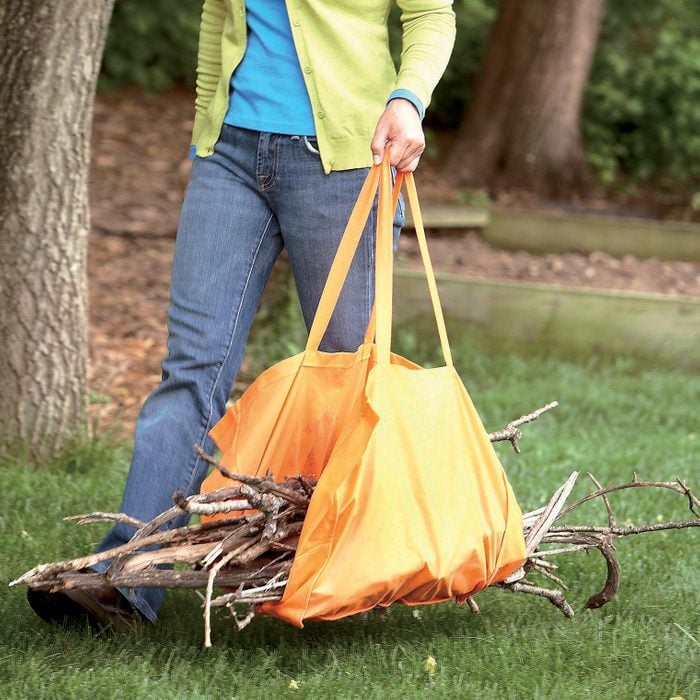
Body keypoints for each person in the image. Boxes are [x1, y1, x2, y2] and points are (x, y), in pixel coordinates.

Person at [28, 0, 456, 629]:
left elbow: (431, 16)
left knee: (347, 379)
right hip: (229, 157)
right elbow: (218, 17)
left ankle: (348, 573)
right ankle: (124, 577)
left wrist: (408, 99)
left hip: (346, 161)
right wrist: (207, 128)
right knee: (191, 367)